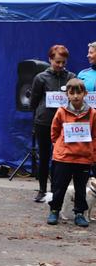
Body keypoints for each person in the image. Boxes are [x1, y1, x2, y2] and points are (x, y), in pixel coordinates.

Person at [46, 78, 95, 228]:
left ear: (85, 94)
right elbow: (54, 132)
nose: (75, 96)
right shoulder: (61, 112)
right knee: (59, 186)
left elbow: (94, 134)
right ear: (67, 94)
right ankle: (54, 210)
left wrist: (91, 152)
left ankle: (79, 213)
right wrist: (59, 146)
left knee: (81, 188)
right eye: (71, 92)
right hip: (64, 157)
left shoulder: (92, 113)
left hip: (83, 158)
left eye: (78, 92)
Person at [29, 45, 75, 202]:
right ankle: (42, 189)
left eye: (63, 62)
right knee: (44, 156)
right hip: (44, 122)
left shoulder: (71, 77)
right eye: (57, 62)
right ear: (50, 59)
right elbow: (33, 101)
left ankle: (57, 189)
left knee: (61, 158)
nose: (61, 65)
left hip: (65, 123)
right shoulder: (41, 78)